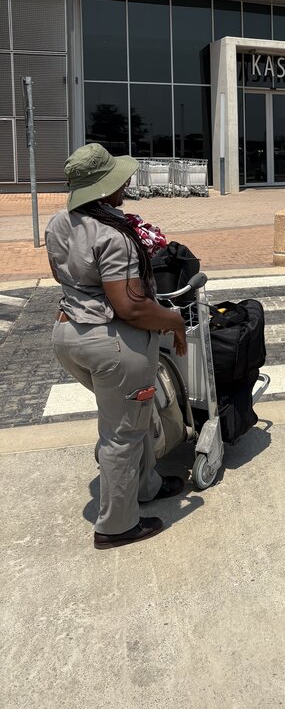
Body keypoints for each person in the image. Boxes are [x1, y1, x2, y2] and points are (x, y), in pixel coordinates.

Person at [45, 144, 189, 550]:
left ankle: (146, 485)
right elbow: (132, 308)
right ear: (103, 188)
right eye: (118, 180)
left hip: (68, 335)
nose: (125, 185)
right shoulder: (114, 235)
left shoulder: (58, 222)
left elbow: (63, 276)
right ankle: (117, 526)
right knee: (122, 435)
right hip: (111, 344)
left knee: (128, 419)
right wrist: (175, 321)